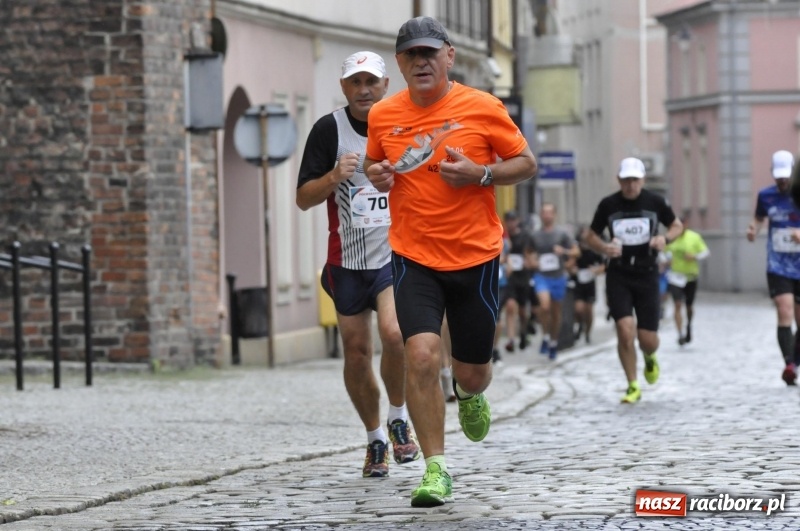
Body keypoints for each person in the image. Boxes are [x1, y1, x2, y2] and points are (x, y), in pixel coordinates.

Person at [364, 16, 537, 507]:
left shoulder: (483, 107)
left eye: (429, 53)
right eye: (410, 55)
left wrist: (482, 174)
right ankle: (435, 469)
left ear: (449, 56)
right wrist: (379, 176)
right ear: (399, 64)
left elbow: (526, 164)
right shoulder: (383, 115)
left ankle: (472, 391)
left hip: (474, 255)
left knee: (473, 371)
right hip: (413, 254)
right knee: (419, 353)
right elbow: (382, 166)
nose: (421, 62)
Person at [296, 51, 420, 478]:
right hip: (346, 261)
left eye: (372, 82)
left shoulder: (403, 123)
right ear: (344, 86)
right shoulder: (328, 130)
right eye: (355, 82)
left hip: (394, 254)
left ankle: (399, 415)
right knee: (355, 351)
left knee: (394, 333)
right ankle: (375, 441)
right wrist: (334, 176)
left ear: (386, 85)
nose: (364, 90)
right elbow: (303, 198)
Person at [584, 157, 682, 404]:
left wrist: (664, 239)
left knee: (647, 338)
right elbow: (590, 235)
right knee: (624, 330)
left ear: (642, 180)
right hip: (619, 274)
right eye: (626, 180)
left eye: (635, 180)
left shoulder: (655, 201)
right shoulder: (609, 205)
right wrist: (604, 248)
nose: (630, 185)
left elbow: (676, 226)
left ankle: (649, 356)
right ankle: (632, 384)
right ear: (619, 180)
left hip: (647, 273)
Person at [746, 150, 800, 386]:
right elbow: (759, 218)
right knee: (784, 309)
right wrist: (753, 229)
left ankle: (795, 362)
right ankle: (789, 363)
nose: (782, 182)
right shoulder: (765, 196)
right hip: (777, 265)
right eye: (779, 178)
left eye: (786, 178)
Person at [531, 202, 580, 359]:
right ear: (541, 215)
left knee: (556, 312)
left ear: (554, 215)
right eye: (544, 212)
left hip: (558, 276)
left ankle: (553, 342)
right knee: (544, 307)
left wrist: (564, 252)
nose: (547, 215)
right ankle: (545, 336)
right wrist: (532, 261)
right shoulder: (535, 235)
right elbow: (528, 252)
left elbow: (576, 252)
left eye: (549, 212)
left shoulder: (562, 234)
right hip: (541, 276)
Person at [665, 217, 709, 345]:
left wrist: (694, 256)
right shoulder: (670, 238)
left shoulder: (694, 237)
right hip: (675, 276)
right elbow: (662, 252)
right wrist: (665, 260)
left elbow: (705, 252)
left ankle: (689, 325)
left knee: (689, 306)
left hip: (690, 276)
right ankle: (680, 333)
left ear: (685, 225)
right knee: (677, 304)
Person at [502, 210, 537, 353]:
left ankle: (523, 332)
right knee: (510, 306)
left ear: (518, 220)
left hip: (523, 276)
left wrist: (529, 261)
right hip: (509, 276)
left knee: (522, 311)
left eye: (513, 220)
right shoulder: (503, 235)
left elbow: (532, 254)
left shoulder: (525, 236)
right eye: (508, 220)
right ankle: (511, 339)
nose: (511, 223)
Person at [569, 224, 605, 344]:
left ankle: (588, 333)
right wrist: (572, 269)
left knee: (589, 310)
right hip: (578, 282)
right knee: (578, 309)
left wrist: (595, 270)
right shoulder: (575, 250)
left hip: (590, 283)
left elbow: (603, 266)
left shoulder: (594, 251)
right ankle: (579, 325)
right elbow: (568, 264)